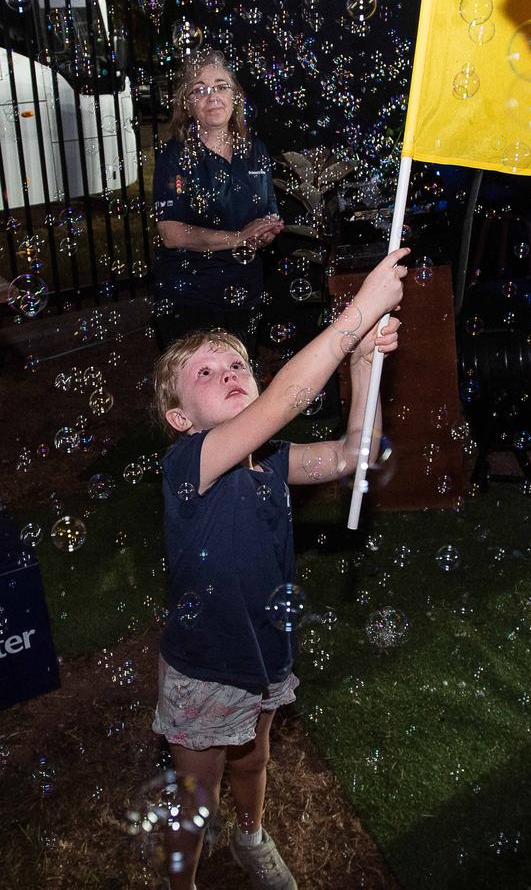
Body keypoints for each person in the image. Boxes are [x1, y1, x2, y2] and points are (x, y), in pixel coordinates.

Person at [151, 246, 409, 890]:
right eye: (206, 372)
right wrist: (356, 314)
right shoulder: (193, 462)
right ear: (180, 419)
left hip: (266, 650)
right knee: (195, 794)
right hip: (205, 667)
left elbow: (357, 454)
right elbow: (290, 396)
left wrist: (363, 364)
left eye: (238, 363)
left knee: (254, 757)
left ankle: (251, 837)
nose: (230, 372)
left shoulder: (272, 460)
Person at [152, 48, 284, 354]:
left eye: (221, 86)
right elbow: (171, 234)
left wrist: (265, 232)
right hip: (190, 298)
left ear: (235, 95)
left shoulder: (255, 150)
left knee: (240, 390)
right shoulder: (175, 157)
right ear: (187, 104)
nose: (213, 97)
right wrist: (239, 237)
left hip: (245, 293)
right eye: (200, 90)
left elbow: (267, 215)